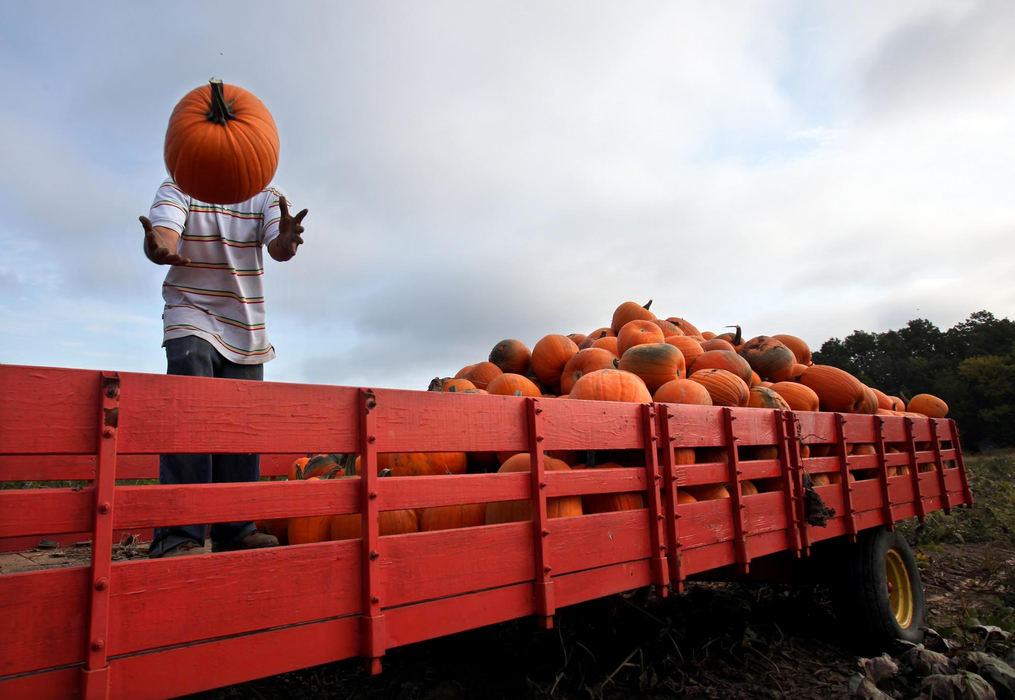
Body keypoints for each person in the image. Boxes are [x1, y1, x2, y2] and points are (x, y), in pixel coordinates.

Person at [140, 178, 308, 558]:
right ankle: (178, 534)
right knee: (191, 418)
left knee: (240, 431)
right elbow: (164, 232)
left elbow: (279, 248)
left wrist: (286, 239)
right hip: (189, 312)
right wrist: (159, 248)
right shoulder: (180, 186)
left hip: (244, 325)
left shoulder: (267, 196)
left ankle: (235, 528)